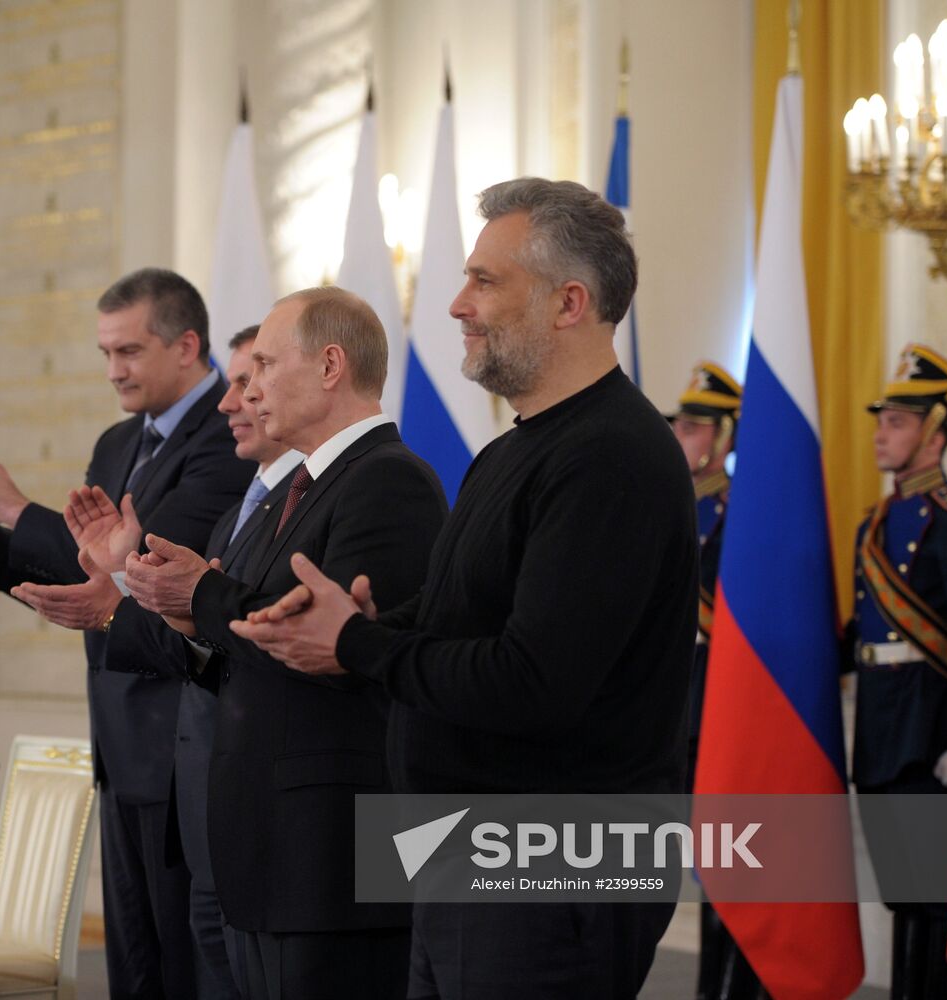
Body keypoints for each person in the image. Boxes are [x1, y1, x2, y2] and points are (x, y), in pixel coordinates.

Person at [231, 178, 698, 999]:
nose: (454, 304)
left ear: (567, 303)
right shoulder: (513, 451)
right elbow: (462, 621)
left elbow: (534, 683)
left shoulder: (610, 457)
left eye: (485, 280)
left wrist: (358, 645)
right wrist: (363, 620)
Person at [0, 267, 254, 1000]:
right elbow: (84, 578)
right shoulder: (116, 442)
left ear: (187, 344)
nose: (112, 371)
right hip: (118, 740)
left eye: (128, 352)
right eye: (104, 353)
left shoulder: (228, 439)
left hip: (181, 738)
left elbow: (155, 569)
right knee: (135, 962)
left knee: (181, 965)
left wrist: (12, 505)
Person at [123, 287, 448, 1000]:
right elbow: (258, 644)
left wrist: (202, 596)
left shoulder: (387, 480)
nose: (247, 389)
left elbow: (339, 651)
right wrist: (180, 614)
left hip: (332, 856)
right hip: (272, 848)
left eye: (265, 365)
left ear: (330, 365)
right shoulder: (293, 490)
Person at [66, 325, 303, 1000]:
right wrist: (123, 585)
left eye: (248, 380)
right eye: (232, 382)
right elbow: (201, 644)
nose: (232, 402)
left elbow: (276, 645)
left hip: (281, 817)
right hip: (203, 800)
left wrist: (128, 593)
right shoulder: (244, 512)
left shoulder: (356, 487)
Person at [848, 343, 947, 1000]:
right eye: (882, 419)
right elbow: (859, 634)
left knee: (935, 906)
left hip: (931, 740)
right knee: (903, 898)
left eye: (898, 421)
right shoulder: (872, 525)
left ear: (934, 436)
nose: (881, 431)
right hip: (879, 735)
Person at [669, 362, 765, 1000]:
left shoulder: (739, 519)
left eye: (697, 427)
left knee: (735, 864)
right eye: (679, 424)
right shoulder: (669, 507)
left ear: (725, 439)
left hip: (721, 701)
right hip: (677, 702)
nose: (681, 435)